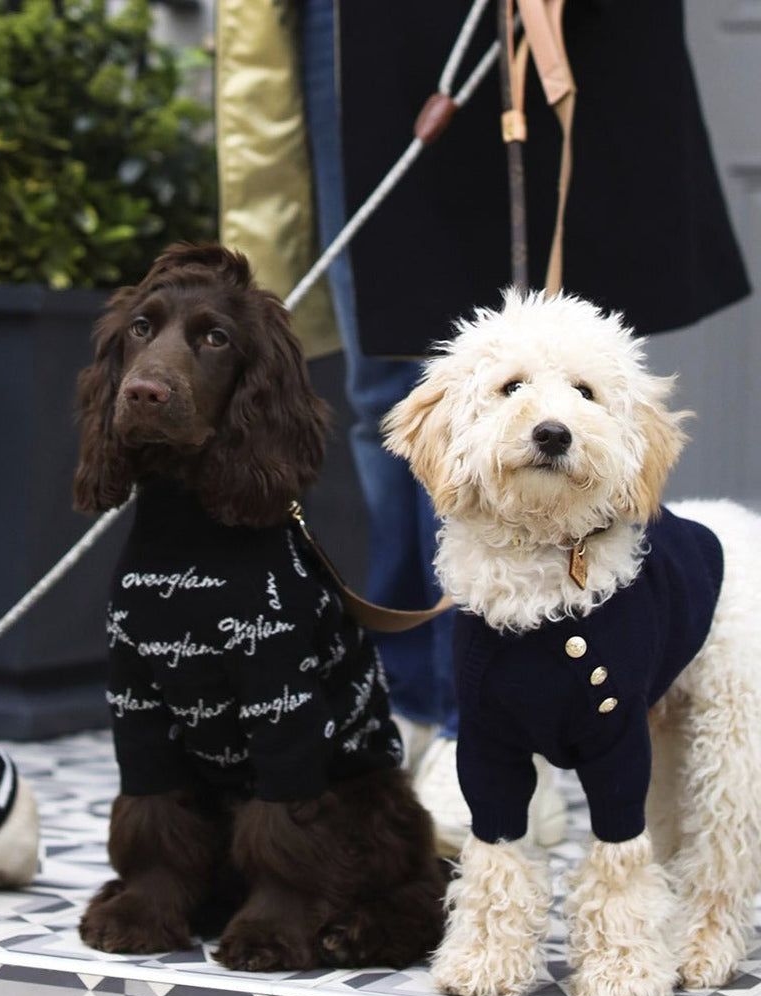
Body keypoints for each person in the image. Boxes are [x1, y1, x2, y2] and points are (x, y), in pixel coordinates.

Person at [213, 0, 750, 854]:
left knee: (567, 367)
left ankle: (509, 722)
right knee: (391, 369)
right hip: (366, 30)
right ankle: (426, 713)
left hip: (557, 27)